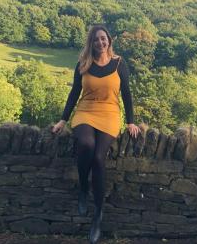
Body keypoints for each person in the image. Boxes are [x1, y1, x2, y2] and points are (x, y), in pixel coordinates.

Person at [52, 24, 140, 244]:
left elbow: (127, 93)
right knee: (86, 145)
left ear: (109, 40)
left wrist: (131, 122)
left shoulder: (119, 64)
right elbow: (74, 92)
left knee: (100, 158)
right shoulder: (83, 64)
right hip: (86, 111)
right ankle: (83, 187)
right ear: (90, 43)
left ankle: (98, 215)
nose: (100, 43)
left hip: (110, 112)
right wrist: (63, 119)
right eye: (96, 40)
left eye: (103, 39)